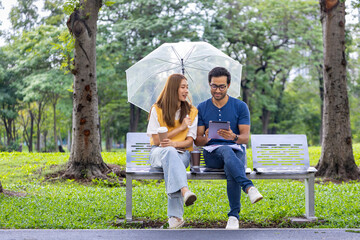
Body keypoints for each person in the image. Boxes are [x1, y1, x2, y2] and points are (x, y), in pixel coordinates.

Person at [195, 67, 263, 230]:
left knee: (231, 163)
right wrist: (206, 138)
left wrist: (233, 136)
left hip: (236, 151)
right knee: (226, 152)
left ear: (229, 85)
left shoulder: (240, 106)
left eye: (221, 86)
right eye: (214, 86)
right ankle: (248, 187)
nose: (217, 90)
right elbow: (198, 141)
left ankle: (233, 217)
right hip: (212, 156)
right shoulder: (202, 107)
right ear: (209, 85)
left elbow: (245, 138)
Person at [147, 73, 198, 229]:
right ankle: (184, 191)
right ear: (173, 88)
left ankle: (175, 219)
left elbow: (190, 141)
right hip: (158, 153)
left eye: (187, 87)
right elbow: (156, 140)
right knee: (169, 153)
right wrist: (181, 128)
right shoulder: (157, 109)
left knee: (171, 155)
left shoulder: (192, 111)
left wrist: (174, 144)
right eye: (182, 87)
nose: (186, 91)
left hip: (182, 154)